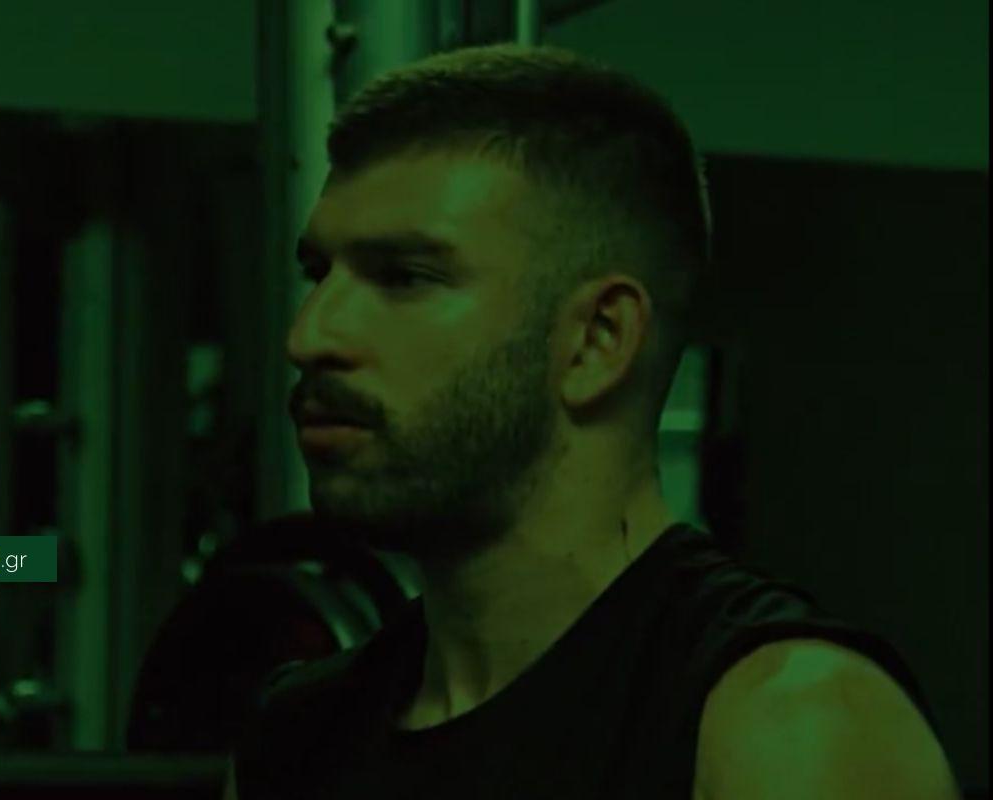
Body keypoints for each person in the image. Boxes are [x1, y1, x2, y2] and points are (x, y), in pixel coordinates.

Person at [222, 44, 959, 799]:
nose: (311, 334)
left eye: (404, 277)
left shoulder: (784, 727)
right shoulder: (294, 738)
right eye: (320, 274)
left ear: (597, 340)